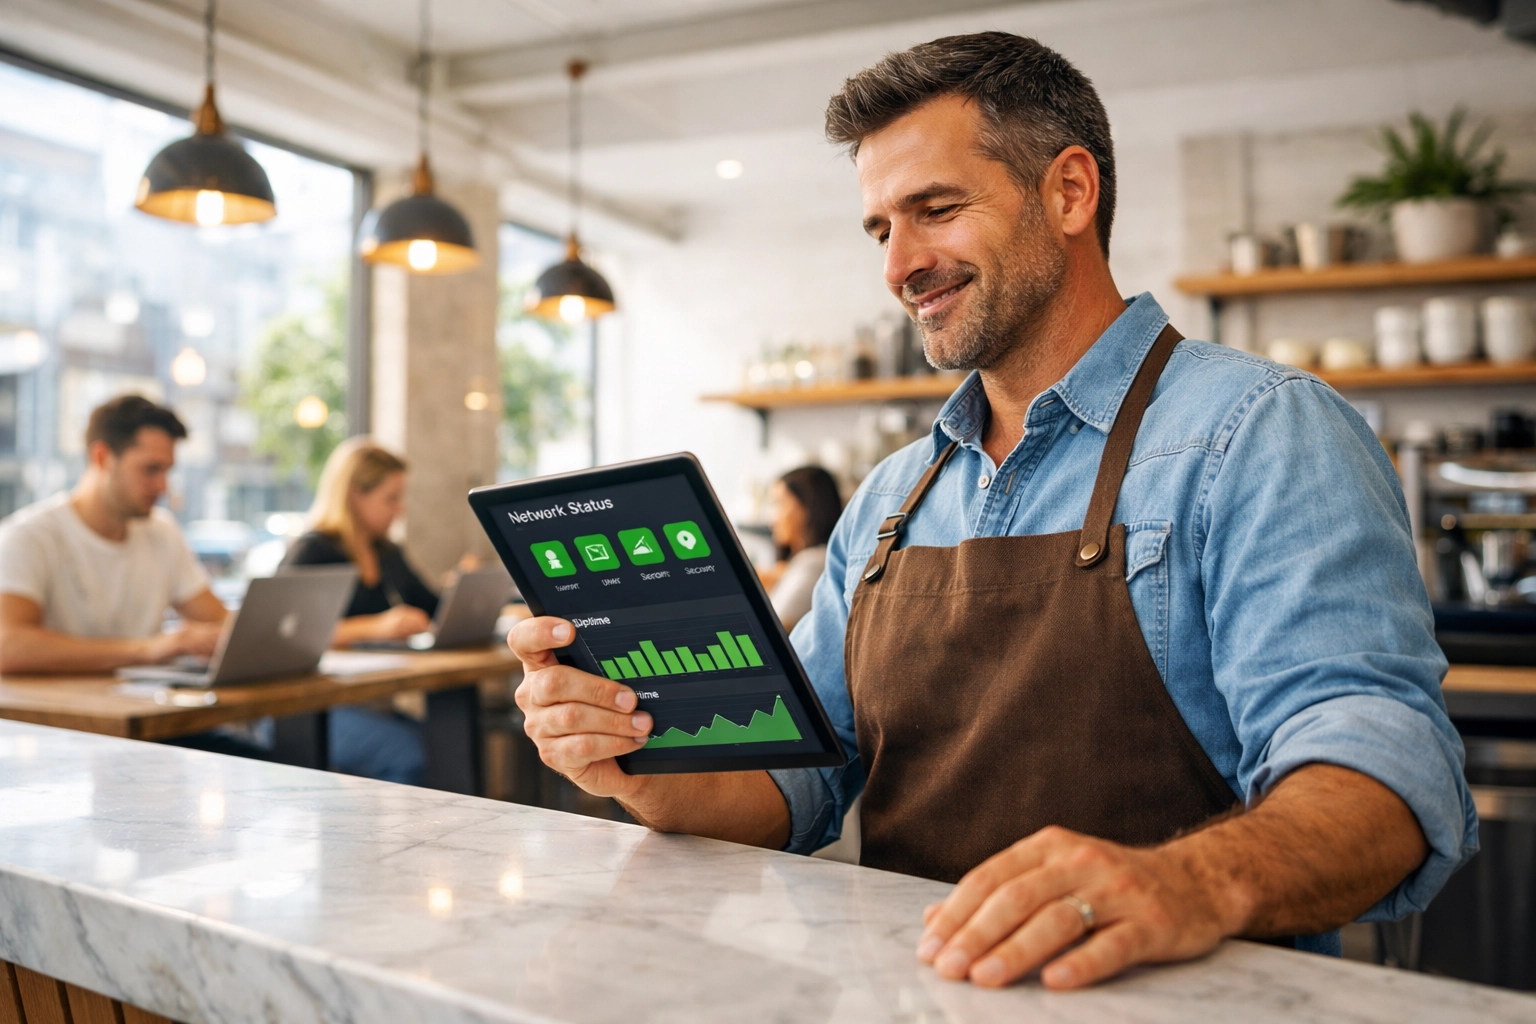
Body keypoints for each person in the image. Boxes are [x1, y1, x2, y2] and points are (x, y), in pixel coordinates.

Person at [508, 32, 1476, 991]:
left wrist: (1185, 879)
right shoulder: (891, 500)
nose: (900, 266)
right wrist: (637, 761)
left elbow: (1384, 773)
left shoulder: (1261, 430)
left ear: (1068, 192)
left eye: (934, 209)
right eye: (881, 229)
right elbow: (791, 782)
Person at [0, 395, 259, 758]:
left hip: (147, 727)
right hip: (58, 743)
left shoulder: (161, 532)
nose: (163, 486)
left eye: (168, 471)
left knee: (267, 765)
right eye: (151, 469)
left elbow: (219, 620)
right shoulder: (29, 536)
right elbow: (9, 647)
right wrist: (150, 649)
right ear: (102, 457)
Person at [280, 438, 431, 785]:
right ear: (354, 494)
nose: (400, 509)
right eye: (391, 498)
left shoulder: (386, 552)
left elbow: (433, 606)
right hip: (313, 706)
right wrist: (375, 627)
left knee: (442, 742)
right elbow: (285, 635)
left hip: (367, 699)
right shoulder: (312, 552)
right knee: (409, 753)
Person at [759, 466, 843, 631]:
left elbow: (773, 627)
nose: (771, 518)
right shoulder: (803, 561)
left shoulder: (814, 561)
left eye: (778, 503)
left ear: (807, 505)